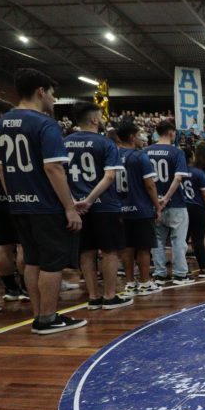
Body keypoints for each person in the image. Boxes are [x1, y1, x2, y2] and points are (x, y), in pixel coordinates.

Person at [0, 68, 87, 333]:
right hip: (45, 205)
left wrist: (15, 198)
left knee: (31, 260)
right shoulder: (45, 124)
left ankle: (39, 315)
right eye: (53, 95)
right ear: (40, 92)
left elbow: (1, 169)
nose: (54, 100)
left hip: (19, 204)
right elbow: (54, 169)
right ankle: (48, 317)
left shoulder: (1, 124)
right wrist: (69, 207)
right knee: (51, 262)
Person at [64, 102, 131, 310]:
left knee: (87, 252)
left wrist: (72, 201)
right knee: (109, 251)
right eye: (101, 116)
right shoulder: (105, 143)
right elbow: (110, 176)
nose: (102, 120)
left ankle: (93, 298)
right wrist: (90, 199)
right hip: (104, 205)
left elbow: (57, 174)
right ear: (94, 119)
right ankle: (110, 297)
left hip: (76, 207)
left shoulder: (63, 142)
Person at [0, 97, 28, 311]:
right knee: (22, 245)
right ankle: (25, 288)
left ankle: (10, 289)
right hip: (13, 197)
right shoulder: (5, 136)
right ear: (1, 116)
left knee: (2, 245)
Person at [145, 120, 193, 285]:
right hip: (175, 203)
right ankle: (180, 274)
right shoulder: (176, 152)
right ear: (172, 133)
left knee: (157, 241)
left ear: (157, 133)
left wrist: (157, 202)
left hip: (153, 204)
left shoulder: (146, 151)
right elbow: (178, 177)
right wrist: (166, 198)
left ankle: (160, 273)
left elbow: (145, 180)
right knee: (178, 241)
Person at [117, 121, 162, 297]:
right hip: (141, 208)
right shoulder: (140, 156)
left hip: (121, 208)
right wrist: (157, 207)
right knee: (144, 247)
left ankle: (129, 282)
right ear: (131, 137)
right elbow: (150, 185)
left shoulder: (113, 155)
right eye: (138, 135)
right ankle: (144, 282)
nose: (141, 138)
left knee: (127, 247)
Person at [183, 146, 205, 278]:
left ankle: (182, 270)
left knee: (181, 241)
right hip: (197, 208)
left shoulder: (177, 173)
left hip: (181, 208)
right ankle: (203, 269)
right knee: (198, 240)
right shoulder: (198, 172)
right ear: (191, 157)